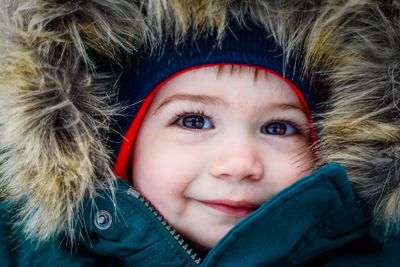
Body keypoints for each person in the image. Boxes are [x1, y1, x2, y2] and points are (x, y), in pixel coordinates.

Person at [0, 1, 399, 266]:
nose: (240, 163)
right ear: (119, 144)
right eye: (194, 121)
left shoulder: (377, 251)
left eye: (278, 127)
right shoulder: (27, 249)